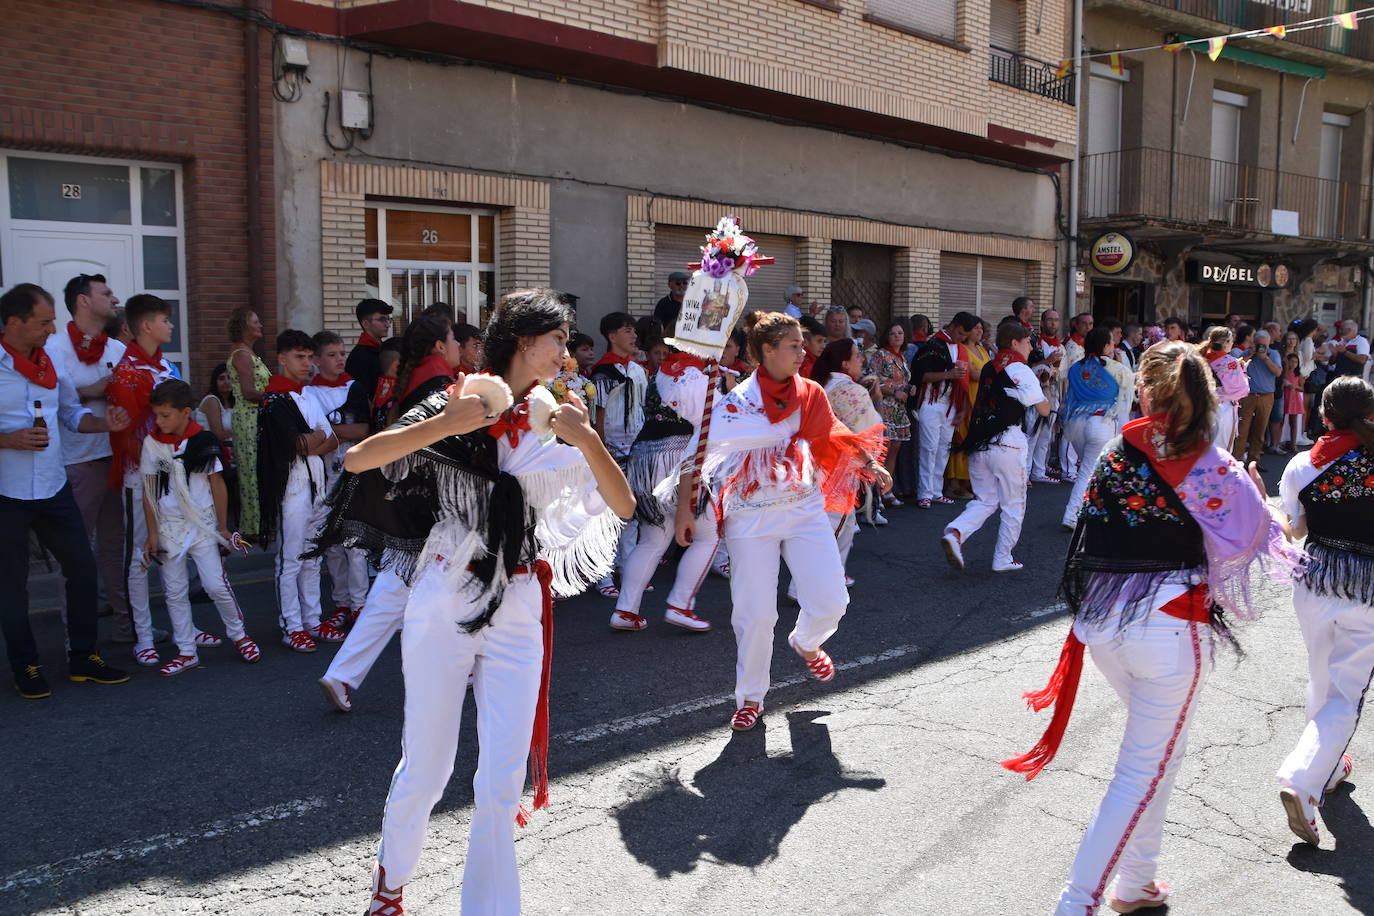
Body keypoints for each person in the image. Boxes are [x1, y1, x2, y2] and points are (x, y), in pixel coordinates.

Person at [323, 289, 633, 915]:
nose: (567, 354)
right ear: (525, 341)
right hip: (444, 594)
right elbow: (359, 458)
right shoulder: (461, 398)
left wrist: (588, 439)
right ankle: (391, 882)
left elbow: (624, 506)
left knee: (501, 780)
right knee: (428, 764)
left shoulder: (560, 415)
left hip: (518, 603)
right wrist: (445, 424)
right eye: (558, 341)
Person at [1003, 340, 1299, 915]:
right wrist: (1267, 508)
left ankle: (1137, 880)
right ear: (1207, 396)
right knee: (1142, 767)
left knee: (1162, 752)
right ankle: (1076, 901)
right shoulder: (1208, 463)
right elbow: (1258, 537)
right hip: (1168, 626)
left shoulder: (1120, 446)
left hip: (1106, 622)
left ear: (1145, 391)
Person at [673, 312, 888, 731]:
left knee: (831, 601)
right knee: (754, 615)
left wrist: (870, 464)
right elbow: (696, 454)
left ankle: (806, 642)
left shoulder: (810, 392)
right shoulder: (736, 402)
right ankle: (750, 697)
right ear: (767, 351)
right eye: (793, 345)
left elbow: (835, 433)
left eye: (802, 344)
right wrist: (685, 509)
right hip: (750, 517)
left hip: (804, 509)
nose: (802, 352)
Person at [316, 315, 468, 712]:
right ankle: (458, 666)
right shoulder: (440, 385)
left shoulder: (414, 380)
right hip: (437, 503)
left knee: (397, 586)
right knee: (454, 580)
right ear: (439, 346)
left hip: (410, 496)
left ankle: (342, 674)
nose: (456, 345)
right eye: (453, 338)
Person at [0, 283, 132, 698]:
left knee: (81, 568)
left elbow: (72, 414)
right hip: (8, 491)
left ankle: (83, 658)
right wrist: (8, 439)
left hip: (53, 485)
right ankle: (26, 666)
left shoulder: (49, 361)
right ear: (14, 322)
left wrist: (105, 425)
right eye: (43, 322)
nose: (51, 328)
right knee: (11, 584)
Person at [1275, 376, 1374, 845]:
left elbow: (1294, 531)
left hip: (1316, 581)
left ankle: (1328, 768)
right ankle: (1304, 778)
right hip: (1366, 588)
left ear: (1324, 413)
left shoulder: (1301, 463)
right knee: (1345, 692)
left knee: (1322, 679)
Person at [139, 380, 260, 675]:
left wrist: (222, 526)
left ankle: (239, 634)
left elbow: (217, 484)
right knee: (175, 591)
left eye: (166, 415)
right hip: (169, 526)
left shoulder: (203, 440)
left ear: (186, 413)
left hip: (202, 524)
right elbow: (148, 491)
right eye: (157, 415)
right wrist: (153, 534)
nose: (160, 421)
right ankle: (186, 650)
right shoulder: (152, 444)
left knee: (215, 585)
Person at [47, 273, 136, 643]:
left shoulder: (116, 350)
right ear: (83, 301)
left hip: (114, 460)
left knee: (115, 548)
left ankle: (125, 626)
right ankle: (76, 635)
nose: (114, 299)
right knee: (74, 551)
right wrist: (95, 390)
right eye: (106, 293)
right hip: (77, 460)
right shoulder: (53, 349)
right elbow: (52, 404)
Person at [611, 346, 723, 633]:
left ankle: (625, 610)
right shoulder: (696, 377)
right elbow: (711, 425)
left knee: (652, 538)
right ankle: (680, 604)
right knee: (708, 534)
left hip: (645, 455)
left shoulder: (663, 371)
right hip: (678, 456)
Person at [106, 294, 184, 667]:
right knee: (141, 553)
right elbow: (126, 432)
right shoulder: (126, 371)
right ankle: (142, 634)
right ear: (146, 327)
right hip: (139, 475)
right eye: (165, 320)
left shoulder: (165, 366)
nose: (171, 326)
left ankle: (183, 628)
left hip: (169, 470)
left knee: (172, 546)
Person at [941, 322, 1049, 573]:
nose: (1030, 345)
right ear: (1014, 343)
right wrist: (1043, 386)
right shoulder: (1019, 368)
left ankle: (956, 532)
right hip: (1008, 442)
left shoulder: (990, 366)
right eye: (1027, 341)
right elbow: (1043, 408)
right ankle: (1003, 557)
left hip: (981, 443)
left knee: (986, 499)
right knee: (1013, 503)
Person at [257, 329, 339, 653]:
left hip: (316, 484)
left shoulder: (308, 395)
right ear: (281, 358)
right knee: (290, 558)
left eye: (308, 357)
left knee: (313, 557)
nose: (306, 364)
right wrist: (315, 439)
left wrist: (314, 441)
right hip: (291, 488)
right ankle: (291, 626)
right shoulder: (274, 399)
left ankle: (313, 620)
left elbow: (331, 439)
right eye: (299, 357)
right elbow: (301, 443)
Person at [784, 338, 883, 597]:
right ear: (844, 363)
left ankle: (826, 580)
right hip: (837, 467)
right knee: (836, 526)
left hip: (811, 462)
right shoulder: (853, 392)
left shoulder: (821, 385)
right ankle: (807, 586)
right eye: (857, 355)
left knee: (829, 524)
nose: (861, 359)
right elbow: (870, 431)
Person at [306, 330, 373, 633]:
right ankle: (341, 603)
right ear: (317, 360)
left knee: (355, 544)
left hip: (353, 470)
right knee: (332, 544)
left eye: (341, 353)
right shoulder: (308, 393)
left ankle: (360, 605)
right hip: (323, 474)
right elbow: (312, 433)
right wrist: (334, 433)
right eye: (331, 355)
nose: (338, 359)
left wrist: (332, 433)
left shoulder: (355, 388)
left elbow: (362, 428)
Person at [590, 312, 647, 597]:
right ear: (612, 336)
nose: (633, 335)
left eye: (634, 330)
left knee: (631, 511)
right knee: (608, 513)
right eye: (627, 330)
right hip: (612, 449)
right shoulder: (603, 372)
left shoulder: (636, 369)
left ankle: (629, 567)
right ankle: (603, 573)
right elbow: (598, 413)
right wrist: (600, 449)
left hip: (635, 447)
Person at [1059, 328, 1134, 531]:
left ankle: (1101, 513)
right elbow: (1125, 403)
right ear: (1106, 346)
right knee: (1089, 471)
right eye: (1111, 342)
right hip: (1100, 423)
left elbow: (1069, 397)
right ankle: (1071, 514)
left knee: (1095, 470)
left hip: (1076, 424)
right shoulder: (1118, 369)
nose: (1114, 345)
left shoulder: (1075, 368)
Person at [910, 312, 976, 508]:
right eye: (961, 333)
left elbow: (962, 382)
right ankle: (924, 492)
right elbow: (920, 376)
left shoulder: (959, 348)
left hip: (950, 404)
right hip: (931, 402)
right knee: (928, 448)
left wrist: (962, 407)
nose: (962, 338)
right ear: (953, 326)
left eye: (965, 336)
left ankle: (936, 491)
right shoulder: (933, 346)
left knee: (943, 449)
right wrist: (949, 374)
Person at [226, 306, 269, 539]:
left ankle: (259, 523)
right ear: (243, 326)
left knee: (259, 470)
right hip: (249, 417)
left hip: (256, 416)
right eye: (255, 322)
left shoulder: (248, 353)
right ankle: (253, 527)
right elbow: (249, 391)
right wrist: (276, 397)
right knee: (252, 471)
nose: (260, 325)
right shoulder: (242, 355)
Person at [944, 319, 991, 501]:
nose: (979, 331)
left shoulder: (982, 349)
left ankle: (969, 481)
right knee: (961, 439)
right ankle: (954, 483)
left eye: (981, 328)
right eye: (975, 328)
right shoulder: (963, 349)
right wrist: (990, 375)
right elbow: (972, 373)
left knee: (976, 442)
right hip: (967, 398)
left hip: (982, 401)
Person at [868, 320, 912, 506]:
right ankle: (876, 491)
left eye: (900, 333)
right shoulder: (880, 355)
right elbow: (873, 380)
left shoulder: (902, 357)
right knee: (883, 450)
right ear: (887, 335)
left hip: (899, 408)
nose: (897, 336)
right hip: (885, 405)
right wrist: (894, 391)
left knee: (895, 448)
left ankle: (887, 488)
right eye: (893, 333)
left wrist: (909, 388)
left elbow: (903, 379)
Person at [194, 363, 238, 528]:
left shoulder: (234, 402)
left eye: (230, 378)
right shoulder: (212, 401)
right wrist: (241, 432)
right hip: (211, 456)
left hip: (230, 451)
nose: (226, 382)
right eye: (221, 378)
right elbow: (218, 433)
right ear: (214, 381)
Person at [1235, 328, 1281, 469]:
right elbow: (1236, 368)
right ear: (1253, 343)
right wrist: (1250, 354)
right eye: (1258, 345)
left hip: (1266, 397)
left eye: (1264, 345)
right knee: (1242, 431)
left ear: (1268, 344)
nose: (1261, 348)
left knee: (1259, 431)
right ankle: (1237, 463)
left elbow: (1278, 372)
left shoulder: (1273, 354)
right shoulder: (1246, 353)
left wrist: (1265, 358)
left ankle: (1254, 463)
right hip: (1247, 396)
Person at [1198, 326, 1248, 457]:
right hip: (1223, 408)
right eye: (1231, 341)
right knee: (1221, 448)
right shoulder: (1229, 362)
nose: (1232, 343)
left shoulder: (1200, 358)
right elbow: (1242, 389)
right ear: (1225, 342)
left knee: (1204, 444)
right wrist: (1243, 371)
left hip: (1202, 406)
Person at [1029, 308, 1065, 483]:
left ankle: (1039, 471)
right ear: (1042, 323)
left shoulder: (1061, 346)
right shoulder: (1035, 343)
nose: (1053, 323)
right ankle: (1026, 472)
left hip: (1053, 392)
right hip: (1036, 394)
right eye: (1049, 320)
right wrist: (1047, 362)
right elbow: (1030, 365)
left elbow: (1062, 373)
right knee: (1032, 434)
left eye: (1056, 320)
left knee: (1046, 436)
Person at [345, 298, 394, 410]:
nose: (387, 325)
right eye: (382, 319)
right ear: (366, 324)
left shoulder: (384, 350)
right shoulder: (359, 356)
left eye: (388, 319)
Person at [1278, 352, 1306, 452]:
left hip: (1294, 399)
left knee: (1293, 422)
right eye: (1291, 361)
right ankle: (1278, 442)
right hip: (1285, 397)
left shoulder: (1298, 375)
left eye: (1296, 362)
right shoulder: (1284, 372)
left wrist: (1295, 387)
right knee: (1280, 421)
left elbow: (1302, 388)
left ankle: (1293, 444)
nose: (1293, 364)